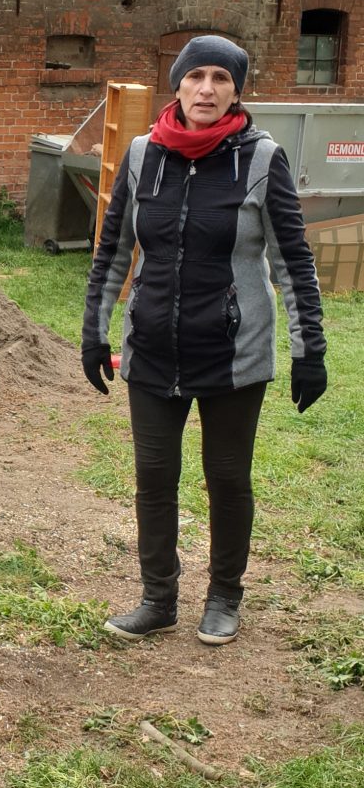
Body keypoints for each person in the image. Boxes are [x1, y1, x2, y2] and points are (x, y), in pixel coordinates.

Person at [81, 35, 327, 646]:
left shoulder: (262, 158)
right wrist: (94, 331)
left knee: (228, 478)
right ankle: (158, 598)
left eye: (221, 78)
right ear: (179, 84)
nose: (207, 89)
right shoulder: (142, 154)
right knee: (154, 478)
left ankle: (224, 597)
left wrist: (310, 350)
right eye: (196, 77)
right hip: (152, 347)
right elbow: (113, 250)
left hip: (233, 354)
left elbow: (293, 261)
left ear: (237, 91)